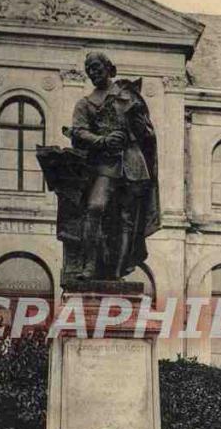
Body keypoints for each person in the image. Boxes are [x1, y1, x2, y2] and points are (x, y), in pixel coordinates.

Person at [68, 52, 160, 280]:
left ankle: (118, 272)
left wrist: (138, 124)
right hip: (105, 163)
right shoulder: (85, 103)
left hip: (132, 162)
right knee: (95, 207)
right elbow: (78, 133)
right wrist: (102, 140)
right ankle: (89, 266)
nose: (93, 72)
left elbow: (147, 133)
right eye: (89, 69)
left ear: (109, 68)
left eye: (97, 67)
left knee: (127, 219)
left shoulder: (128, 94)